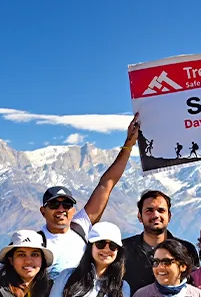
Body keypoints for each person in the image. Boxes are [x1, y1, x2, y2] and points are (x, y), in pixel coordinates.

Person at [38, 114, 139, 275]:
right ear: (43, 211)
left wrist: (129, 144)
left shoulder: (80, 227)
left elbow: (106, 184)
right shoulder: (37, 242)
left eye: (67, 205)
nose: (61, 209)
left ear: (73, 209)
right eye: (54, 205)